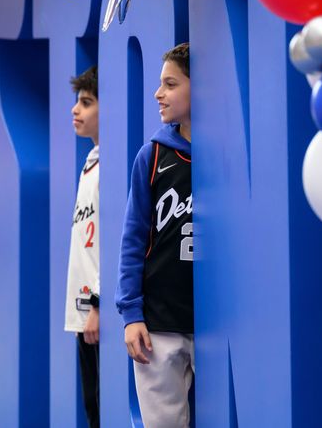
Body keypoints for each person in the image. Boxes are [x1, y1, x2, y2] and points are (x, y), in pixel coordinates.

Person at [116, 43, 193, 428]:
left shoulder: (233, 154)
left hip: (224, 325)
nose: (158, 93)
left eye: (170, 84)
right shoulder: (153, 156)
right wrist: (131, 313)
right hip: (160, 326)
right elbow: (132, 240)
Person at [64, 65, 101, 428]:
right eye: (77, 102)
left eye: (86, 102)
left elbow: (118, 239)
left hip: (100, 312)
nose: (76, 110)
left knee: (104, 408)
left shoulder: (113, 166)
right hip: (85, 312)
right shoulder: (90, 163)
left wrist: (100, 304)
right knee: (92, 407)